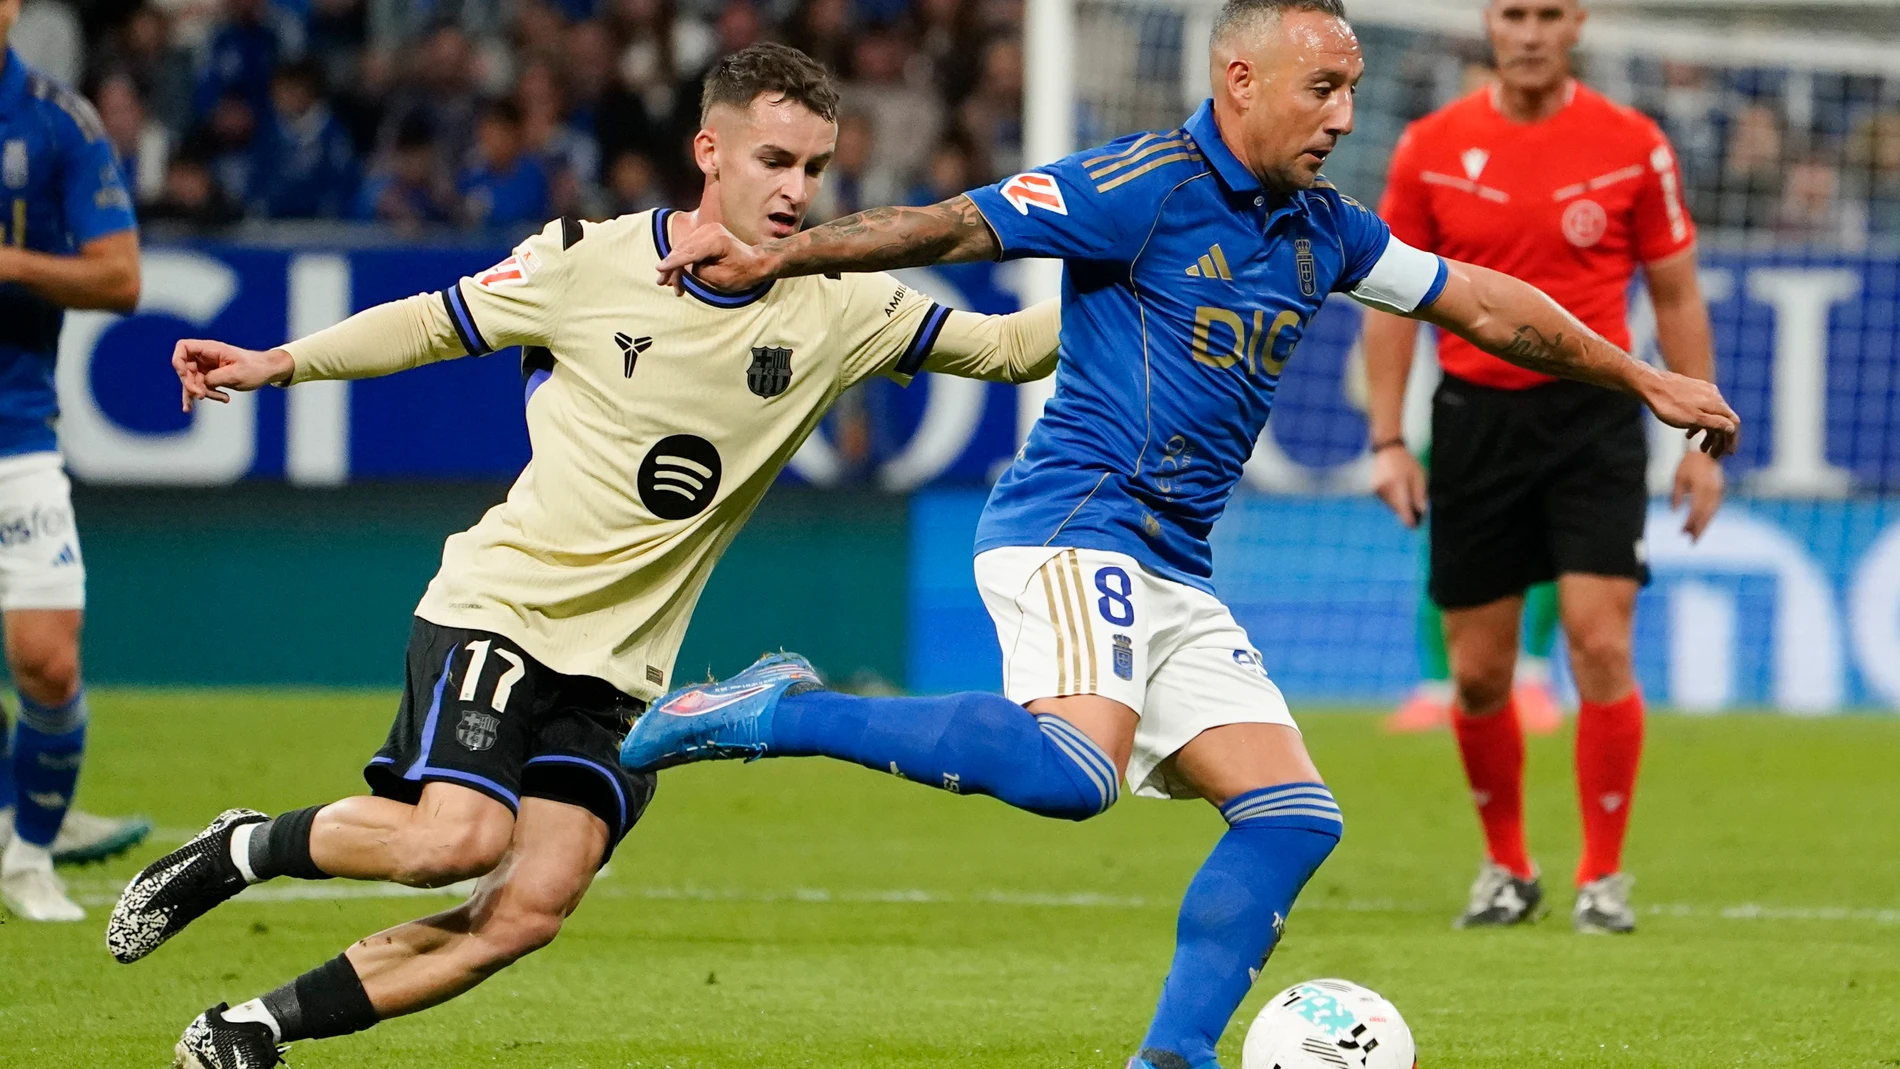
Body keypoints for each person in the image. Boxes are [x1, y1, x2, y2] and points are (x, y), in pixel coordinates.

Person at [619, 1, 1738, 1064]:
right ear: (1239, 80)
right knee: (1072, 773)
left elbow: (1484, 305)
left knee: (1295, 817)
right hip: (1072, 519)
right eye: (1324, 88)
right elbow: (950, 223)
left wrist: (1641, 374)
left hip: (1172, 561)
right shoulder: (1139, 184)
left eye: (1350, 88)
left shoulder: (1326, 229)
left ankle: (1173, 1052)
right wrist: (783, 254)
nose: (1345, 115)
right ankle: (781, 709)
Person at [111, 42, 1061, 1069]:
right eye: (774, 160)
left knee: (524, 910)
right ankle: (244, 844)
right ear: (710, 150)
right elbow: (435, 323)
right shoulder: (585, 257)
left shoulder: (841, 306)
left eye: (816, 170)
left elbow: (1009, 349)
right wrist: (276, 363)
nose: (796, 191)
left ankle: (248, 1028)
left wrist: (1153, 274)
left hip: (621, 673)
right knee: (454, 840)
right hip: (506, 608)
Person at [1360, 0, 1725, 933]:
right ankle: (1507, 868)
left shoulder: (1631, 143)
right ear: (1490, 23)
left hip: (1595, 417)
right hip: (1475, 423)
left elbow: (1675, 291)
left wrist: (1703, 433)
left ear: (1578, 24)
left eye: (1547, 13)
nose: (1528, 31)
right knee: (1479, 674)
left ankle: (1603, 877)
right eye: (1513, 13)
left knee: (1598, 638)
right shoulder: (1431, 148)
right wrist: (1389, 440)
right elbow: (1391, 300)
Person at [0, 0, 151, 922]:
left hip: (16, 428)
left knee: (48, 662)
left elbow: (122, 277)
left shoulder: (59, 122)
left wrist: (11, 266)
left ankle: (27, 858)